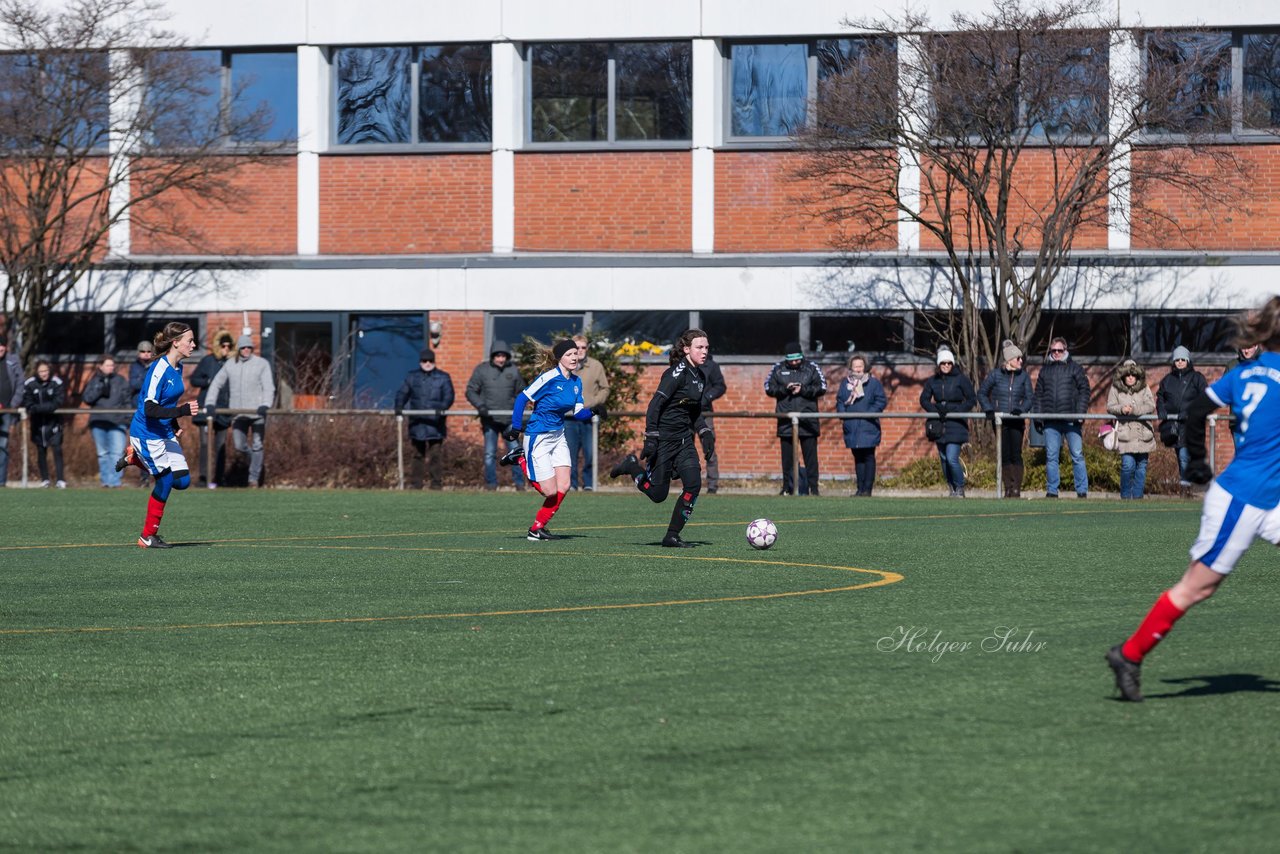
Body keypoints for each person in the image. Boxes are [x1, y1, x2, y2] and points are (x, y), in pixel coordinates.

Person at [1106, 297, 1280, 702]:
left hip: (1267, 499)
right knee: (1196, 588)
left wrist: (1199, 461)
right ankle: (1128, 655)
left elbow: (1199, 407)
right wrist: (1200, 465)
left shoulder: (1245, 373)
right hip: (1243, 500)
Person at [609, 329, 709, 547]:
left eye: (706, 347)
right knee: (657, 494)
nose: (704, 352)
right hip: (664, 440)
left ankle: (672, 536)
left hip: (684, 440)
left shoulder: (700, 376)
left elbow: (694, 411)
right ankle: (632, 466)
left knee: (693, 484)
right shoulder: (675, 374)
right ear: (686, 350)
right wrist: (651, 437)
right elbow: (655, 405)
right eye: (699, 347)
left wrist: (704, 432)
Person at [501, 339, 604, 541]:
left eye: (576, 353)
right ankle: (520, 458)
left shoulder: (576, 382)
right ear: (559, 358)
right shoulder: (549, 377)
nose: (574, 357)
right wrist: (515, 427)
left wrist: (593, 411)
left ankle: (536, 529)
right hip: (538, 436)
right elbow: (522, 398)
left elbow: (577, 413)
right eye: (569, 354)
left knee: (563, 486)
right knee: (549, 491)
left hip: (558, 436)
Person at [121, 322, 199, 548]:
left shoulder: (178, 366)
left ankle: (135, 459)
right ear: (175, 343)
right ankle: (147, 536)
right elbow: (149, 408)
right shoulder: (159, 369)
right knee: (164, 481)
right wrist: (182, 411)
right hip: (147, 433)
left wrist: (173, 422)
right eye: (189, 341)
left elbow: (167, 401)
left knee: (182, 481)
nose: (193, 345)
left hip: (164, 430)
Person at [204, 334, 276, 488]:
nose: (246, 350)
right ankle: (257, 462)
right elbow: (216, 383)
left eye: (249, 347)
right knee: (239, 446)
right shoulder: (230, 364)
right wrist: (210, 403)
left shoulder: (262, 364)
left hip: (257, 412)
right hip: (237, 413)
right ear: (239, 349)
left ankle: (253, 479)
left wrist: (265, 404)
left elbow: (268, 387)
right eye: (243, 347)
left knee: (257, 445)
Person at [765, 341, 826, 496]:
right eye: (790, 360)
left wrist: (803, 389)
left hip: (808, 420)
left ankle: (814, 488)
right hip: (786, 420)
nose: (794, 363)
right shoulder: (778, 368)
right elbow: (768, 387)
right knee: (787, 459)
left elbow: (822, 387)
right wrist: (785, 389)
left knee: (810, 458)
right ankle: (787, 487)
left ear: (801, 357)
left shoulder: (812, 367)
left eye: (797, 360)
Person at [1033, 335, 1091, 498]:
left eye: (1059, 350)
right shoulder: (1045, 370)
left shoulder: (1075, 368)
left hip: (1071, 421)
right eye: (1054, 350)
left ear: (1065, 350)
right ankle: (1052, 491)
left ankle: (1082, 491)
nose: (1056, 353)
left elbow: (1084, 391)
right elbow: (1038, 395)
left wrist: (1079, 414)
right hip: (1051, 421)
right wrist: (1038, 417)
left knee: (1077, 455)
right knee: (1051, 457)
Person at [465, 339, 525, 492]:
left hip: (510, 419)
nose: (501, 359)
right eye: (498, 356)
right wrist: (480, 405)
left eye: (503, 356)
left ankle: (520, 484)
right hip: (489, 419)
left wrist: (519, 412)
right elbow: (471, 390)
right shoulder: (482, 370)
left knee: (516, 452)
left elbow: (522, 393)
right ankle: (491, 484)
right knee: (490, 453)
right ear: (492, 356)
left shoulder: (513, 370)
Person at [978, 340, 1034, 498]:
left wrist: (1021, 409)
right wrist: (989, 409)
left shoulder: (1023, 377)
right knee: (1004, 454)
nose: (1021, 361)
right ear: (1009, 360)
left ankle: (1016, 488)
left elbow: (1030, 398)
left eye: (1021, 358)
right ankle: (1007, 487)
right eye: (1018, 359)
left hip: (1016, 420)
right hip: (999, 421)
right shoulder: (995, 375)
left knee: (1016, 453)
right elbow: (982, 393)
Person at [394, 348, 455, 490]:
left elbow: (449, 395)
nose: (427, 363)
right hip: (418, 422)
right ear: (420, 362)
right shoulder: (412, 377)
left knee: (435, 455)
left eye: (430, 361)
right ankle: (416, 484)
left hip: (436, 422)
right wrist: (399, 406)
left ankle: (436, 484)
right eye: (424, 361)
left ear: (434, 362)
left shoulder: (443, 377)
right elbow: (403, 393)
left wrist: (442, 407)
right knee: (417, 455)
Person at [920, 348, 977, 497]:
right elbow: (924, 399)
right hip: (939, 424)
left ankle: (960, 487)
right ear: (939, 364)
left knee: (952, 458)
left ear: (952, 363)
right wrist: (935, 409)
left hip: (956, 424)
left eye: (948, 363)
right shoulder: (933, 381)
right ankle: (951, 487)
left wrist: (957, 411)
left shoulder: (961, 379)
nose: (946, 365)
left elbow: (971, 399)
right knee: (944, 459)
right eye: (943, 363)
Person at [1156, 346, 1208, 495]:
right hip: (1173, 425)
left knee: (1185, 456)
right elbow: (1160, 397)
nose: (1179, 362)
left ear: (1188, 360)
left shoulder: (1197, 378)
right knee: (1180, 456)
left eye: (1182, 359)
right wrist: (1162, 410)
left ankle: (1185, 488)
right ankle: (1186, 484)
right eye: (1177, 360)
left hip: (1191, 425)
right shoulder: (1167, 380)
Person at [835, 353, 887, 496]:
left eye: (860, 366)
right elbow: (840, 401)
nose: (858, 369)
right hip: (852, 427)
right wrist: (843, 414)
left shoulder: (873, 383)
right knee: (857, 458)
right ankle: (860, 489)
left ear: (865, 367)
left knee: (869, 456)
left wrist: (869, 413)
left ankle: (867, 489)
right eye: (855, 366)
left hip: (868, 425)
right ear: (851, 368)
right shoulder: (845, 384)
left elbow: (881, 401)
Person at [564, 334, 610, 492]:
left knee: (590, 453)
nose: (580, 350)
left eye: (584, 347)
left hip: (590, 417)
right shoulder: (564, 366)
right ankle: (572, 484)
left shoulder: (596, 366)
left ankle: (589, 484)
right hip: (569, 417)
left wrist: (593, 403)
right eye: (577, 347)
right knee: (570, 454)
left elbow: (605, 388)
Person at [189, 329, 235, 489]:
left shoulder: (233, 363)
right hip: (206, 408)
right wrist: (209, 381)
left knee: (221, 445)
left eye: (229, 346)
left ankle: (219, 477)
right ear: (218, 345)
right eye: (223, 345)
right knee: (204, 444)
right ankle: (203, 477)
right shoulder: (207, 361)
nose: (226, 349)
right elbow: (194, 379)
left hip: (224, 408)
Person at [1106, 359, 1157, 500]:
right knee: (1128, 466)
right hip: (1125, 435)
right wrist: (1121, 409)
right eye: (1127, 375)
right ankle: (1125, 497)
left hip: (1143, 434)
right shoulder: (1115, 389)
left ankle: (1138, 498)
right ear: (1122, 376)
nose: (1130, 378)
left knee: (1141, 467)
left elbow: (1150, 406)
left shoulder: (1145, 388)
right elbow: (1110, 406)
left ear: (1137, 376)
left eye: (1133, 375)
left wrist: (1135, 410)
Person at [82, 354, 133, 487]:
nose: (111, 367)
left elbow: (127, 401)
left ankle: (114, 482)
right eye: (108, 365)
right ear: (100, 366)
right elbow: (87, 398)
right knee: (103, 454)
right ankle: (105, 482)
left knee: (116, 453)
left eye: (112, 365)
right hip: (98, 422)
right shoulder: (94, 381)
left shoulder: (121, 381)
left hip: (117, 422)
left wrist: (127, 419)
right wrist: (99, 389)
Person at [23, 360, 67, 488]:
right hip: (38, 423)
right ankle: (45, 480)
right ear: (37, 372)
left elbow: (58, 401)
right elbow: (28, 404)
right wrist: (41, 408)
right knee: (41, 450)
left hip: (54, 422)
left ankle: (60, 480)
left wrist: (40, 408)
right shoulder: (30, 384)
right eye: (41, 371)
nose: (44, 374)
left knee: (57, 449)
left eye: (46, 371)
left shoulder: (56, 383)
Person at [127, 339, 156, 487]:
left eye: (148, 351)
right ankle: (144, 477)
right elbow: (133, 384)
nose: (145, 354)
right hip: (139, 410)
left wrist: (143, 381)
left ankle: (156, 475)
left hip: (153, 409)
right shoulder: (134, 367)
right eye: (142, 351)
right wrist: (146, 381)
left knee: (154, 444)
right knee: (140, 445)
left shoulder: (157, 366)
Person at [696, 352, 726, 493]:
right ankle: (688, 484)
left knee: (709, 449)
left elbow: (720, 386)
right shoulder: (684, 364)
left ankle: (712, 486)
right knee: (684, 449)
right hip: (686, 412)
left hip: (705, 412)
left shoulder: (711, 366)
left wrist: (707, 397)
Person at [1224, 342, 1259, 449]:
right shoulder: (1232, 366)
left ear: (1256, 346)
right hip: (1238, 421)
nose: (1246, 351)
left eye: (1249, 347)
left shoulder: (1264, 364)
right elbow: (1225, 391)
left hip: (1258, 421)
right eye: (1244, 347)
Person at [0, 333, 23, 488]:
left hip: (6, 411)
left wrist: (13, 404)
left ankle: (1, 481)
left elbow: (21, 384)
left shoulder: (13, 361)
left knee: (3, 445)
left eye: (1, 346)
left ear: (5, 347)